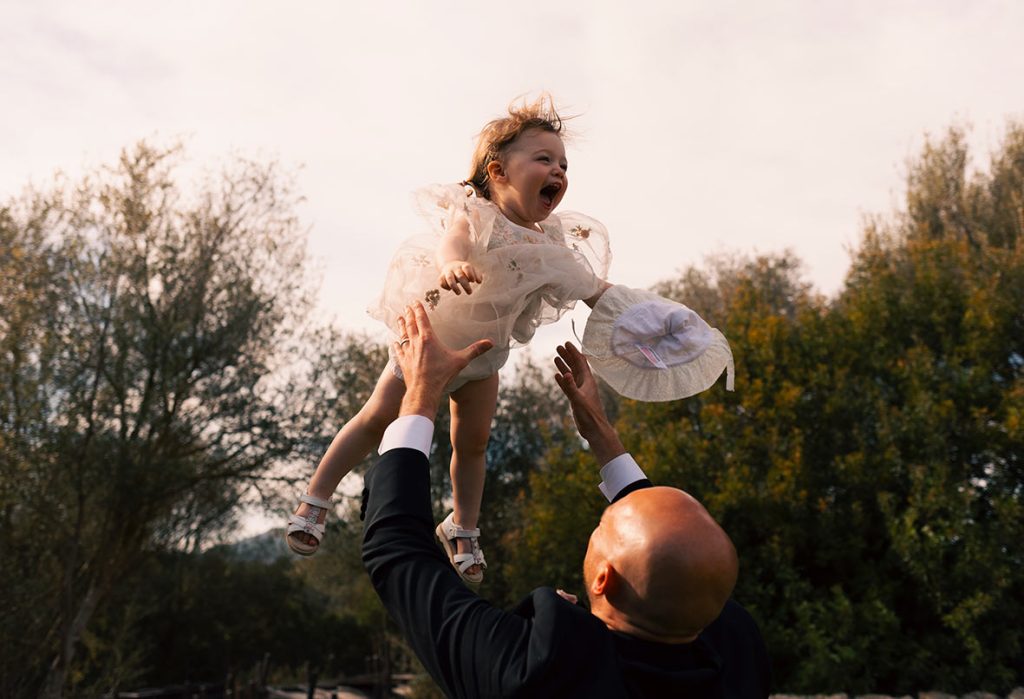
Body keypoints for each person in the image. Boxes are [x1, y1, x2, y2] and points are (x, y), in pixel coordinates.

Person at [362, 302, 771, 698]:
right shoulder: (738, 658)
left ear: (603, 578)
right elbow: (671, 559)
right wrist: (601, 433)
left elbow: (399, 552)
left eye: (603, 525)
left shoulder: (533, 671)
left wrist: (421, 392)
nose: (605, 516)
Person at [288, 95, 612, 585]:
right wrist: (452, 264)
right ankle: (316, 496)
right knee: (378, 416)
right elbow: (453, 241)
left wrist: (625, 305)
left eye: (563, 164)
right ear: (499, 171)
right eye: (543, 159)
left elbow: (584, 283)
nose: (558, 171)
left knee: (474, 442)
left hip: (484, 356)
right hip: (431, 343)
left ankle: (461, 525)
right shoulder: (475, 212)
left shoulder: (549, 240)